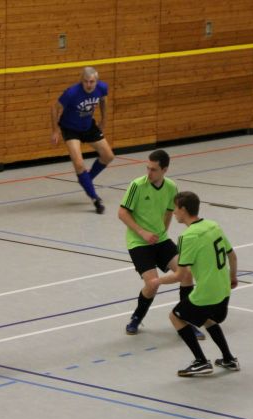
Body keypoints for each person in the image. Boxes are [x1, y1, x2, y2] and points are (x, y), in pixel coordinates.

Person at [151, 191, 240, 377]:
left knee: (175, 317)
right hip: (223, 290)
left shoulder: (188, 237)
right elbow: (232, 256)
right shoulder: (213, 226)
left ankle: (201, 361)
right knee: (206, 318)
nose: (174, 212)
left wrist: (157, 281)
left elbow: (181, 275)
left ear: (183, 209)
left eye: (175, 208)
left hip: (206, 293)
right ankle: (229, 359)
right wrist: (232, 278)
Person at [118, 150, 204, 340]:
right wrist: (143, 232)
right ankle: (137, 317)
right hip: (138, 242)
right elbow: (122, 213)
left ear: (165, 170)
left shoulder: (171, 187)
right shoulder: (137, 185)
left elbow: (169, 211)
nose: (149, 173)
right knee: (152, 284)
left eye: (154, 170)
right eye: (147, 168)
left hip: (160, 240)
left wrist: (162, 232)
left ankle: (185, 319)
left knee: (186, 274)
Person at [51, 66, 115, 214]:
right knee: (79, 164)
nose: (88, 85)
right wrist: (55, 130)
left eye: (92, 82)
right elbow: (54, 108)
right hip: (70, 129)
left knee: (108, 156)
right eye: (86, 81)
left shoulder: (102, 88)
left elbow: (103, 101)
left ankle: (86, 180)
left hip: (88, 126)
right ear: (81, 80)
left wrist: (104, 120)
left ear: (96, 81)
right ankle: (95, 199)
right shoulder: (72, 93)